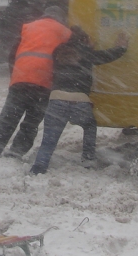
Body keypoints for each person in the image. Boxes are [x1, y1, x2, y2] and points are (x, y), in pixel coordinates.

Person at [0, 6, 72, 167]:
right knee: (31, 122)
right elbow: (67, 62)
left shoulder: (29, 27)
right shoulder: (66, 33)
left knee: (7, 120)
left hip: (20, 80)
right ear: (61, 18)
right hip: (44, 84)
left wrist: (15, 76)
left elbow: (12, 54)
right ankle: (16, 152)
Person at [29, 27, 130, 175]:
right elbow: (108, 55)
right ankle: (88, 159)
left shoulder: (58, 52)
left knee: (49, 140)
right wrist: (121, 47)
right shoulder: (87, 53)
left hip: (57, 99)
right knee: (89, 126)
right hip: (80, 100)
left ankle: (38, 168)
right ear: (83, 40)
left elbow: (70, 58)